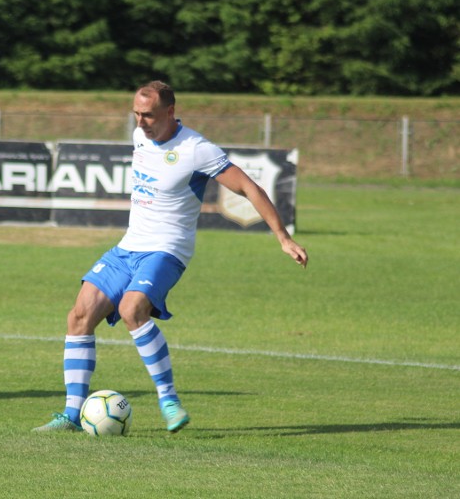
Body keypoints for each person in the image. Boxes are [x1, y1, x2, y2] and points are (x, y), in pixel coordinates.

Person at [34, 80, 308, 433]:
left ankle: (169, 400)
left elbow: (248, 187)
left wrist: (282, 237)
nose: (140, 121)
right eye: (135, 113)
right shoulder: (140, 136)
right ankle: (71, 415)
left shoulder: (196, 149)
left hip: (167, 249)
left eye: (148, 115)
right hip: (129, 246)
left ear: (170, 112)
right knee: (79, 314)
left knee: (133, 309)